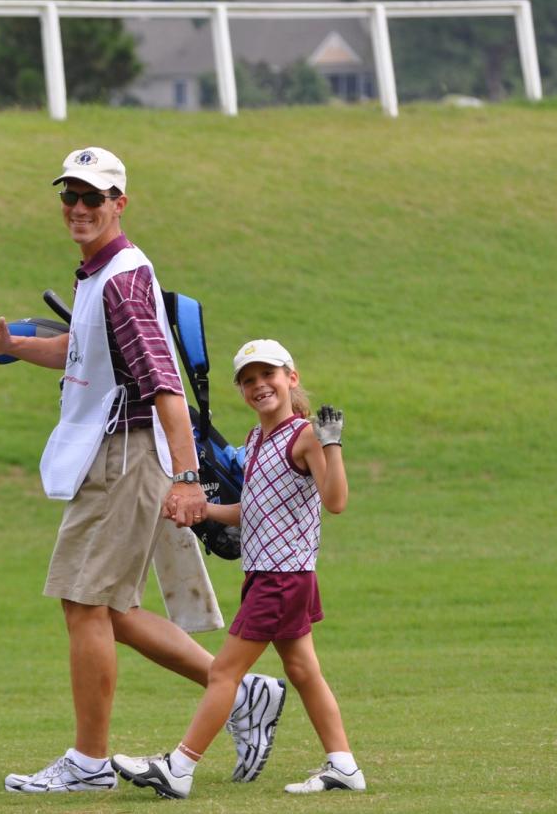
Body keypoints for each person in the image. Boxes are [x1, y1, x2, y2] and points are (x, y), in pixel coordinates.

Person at [0, 148, 286, 794]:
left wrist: (188, 477)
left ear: (119, 204)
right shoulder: (101, 274)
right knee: (111, 608)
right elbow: (81, 352)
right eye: (70, 195)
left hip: (127, 455)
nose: (78, 207)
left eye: (93, 197)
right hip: (118, 453)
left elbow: (164, 385)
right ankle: (240, 694)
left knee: (84, 603)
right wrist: (9, 344)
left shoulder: (124, 279)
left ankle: (90, 761)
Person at [112, 339, 366, 798]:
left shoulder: (305, 436)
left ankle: (180, 767)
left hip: (282, 579)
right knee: (305, 672)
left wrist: (333, 446)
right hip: (269, 575)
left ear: (291, 378)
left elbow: (336, 501)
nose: (259, 385)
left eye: (268, 374)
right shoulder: (255, 440)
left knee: (224, 673)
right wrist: (205, 511)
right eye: (248, 380)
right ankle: (344, 765)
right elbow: (252, 509)